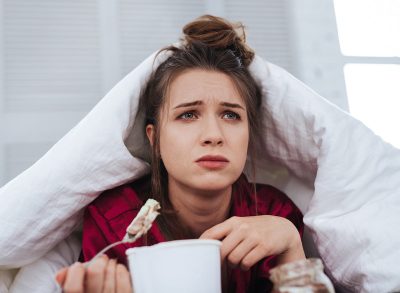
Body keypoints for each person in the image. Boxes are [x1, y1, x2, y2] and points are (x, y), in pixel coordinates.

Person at [56, 15, 305, 293]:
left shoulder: (274, 214)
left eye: (230, 115)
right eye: (188, 114)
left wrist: (292, 246)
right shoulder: (112, 220)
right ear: (155, 140)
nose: (214, 134)